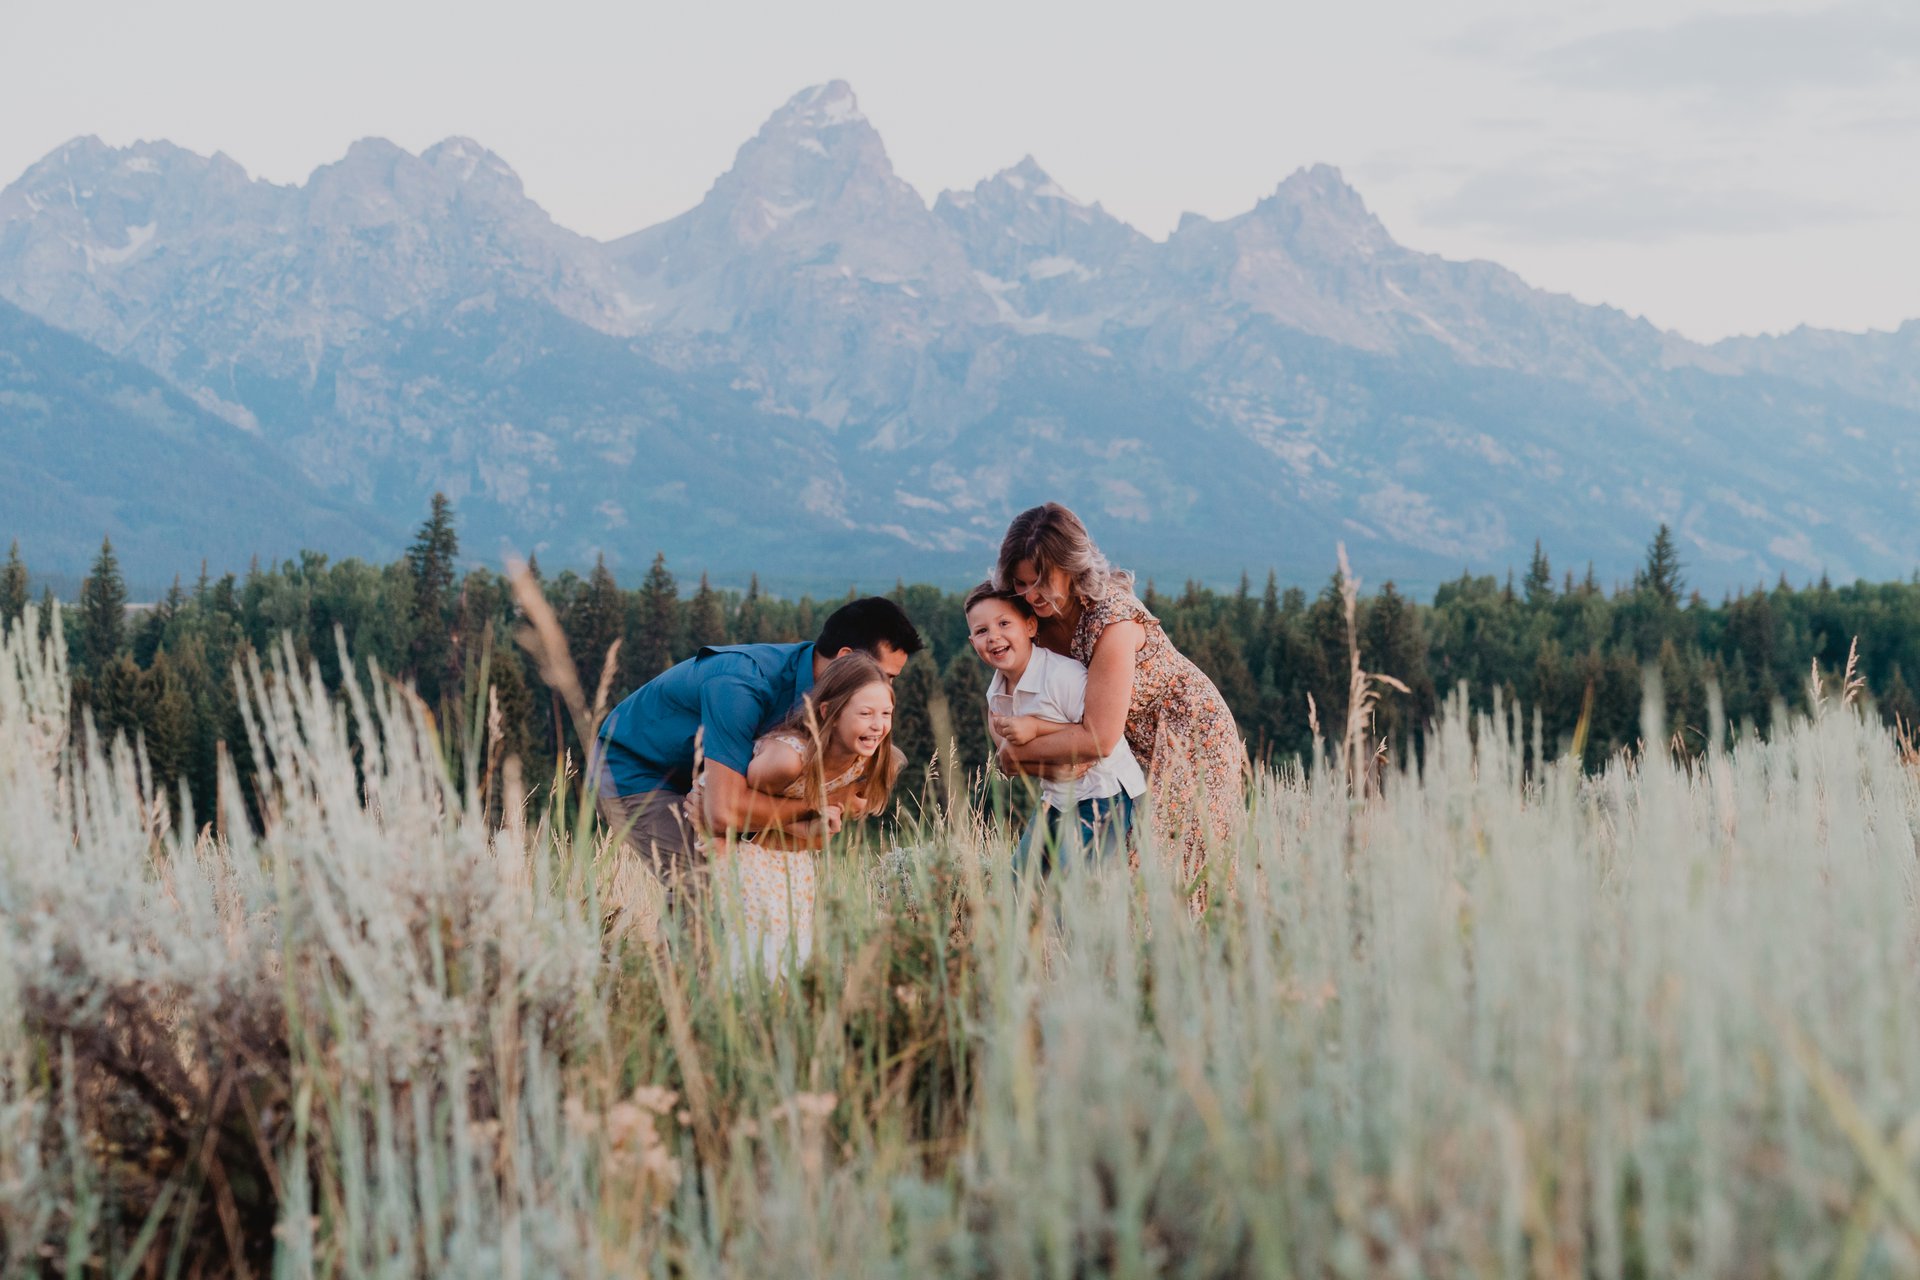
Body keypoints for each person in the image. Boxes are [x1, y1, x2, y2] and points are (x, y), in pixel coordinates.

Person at [991, 503, 1247, 908]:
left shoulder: (1113, 620)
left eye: (1041, 581)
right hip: (1121, 753)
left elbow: (1098, 737)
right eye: (1021, 583)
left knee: (1172, 874)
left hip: (1190, 739)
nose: (1030, 594)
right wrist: (1025, 751)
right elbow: (1007, 695)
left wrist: (1014, 753)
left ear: (1073, 566)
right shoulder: (1026, 617)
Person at [594, 596, 920, 898]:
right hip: (635, 769)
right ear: (845, 659)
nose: (887, 690)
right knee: (708, 886)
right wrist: (825, 801)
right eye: (884, 676)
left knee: (757, 888)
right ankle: (687, 962)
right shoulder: (742, 681)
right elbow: (723, 813)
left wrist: (811, 815)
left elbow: (818, 833)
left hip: (709, 777)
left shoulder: (839, 711)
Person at [690, 653, 903, 977]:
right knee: (756, 960)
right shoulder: (787, 759)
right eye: (865, 713)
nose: (878, 725)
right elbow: (733, 806)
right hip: (738, 850)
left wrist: (815, 827)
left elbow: (805, 834)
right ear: (829, 711)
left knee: (794, 958)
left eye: (886, 713)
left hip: (791, 863)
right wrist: (721, 839)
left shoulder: (866, 761)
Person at [964, 582, 1144, 875]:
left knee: (1068, 885)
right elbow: (1009, 756)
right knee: (1019, 883)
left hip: (1106, 794)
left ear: (1031, 627)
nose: (994, 637)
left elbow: (1093, 737)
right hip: (1057, 796)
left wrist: (1035, 727)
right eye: (982, 631)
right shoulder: (996, 692)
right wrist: (1049, 768)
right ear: (973, 643)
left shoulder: (1063, 676)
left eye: (1004, 623)